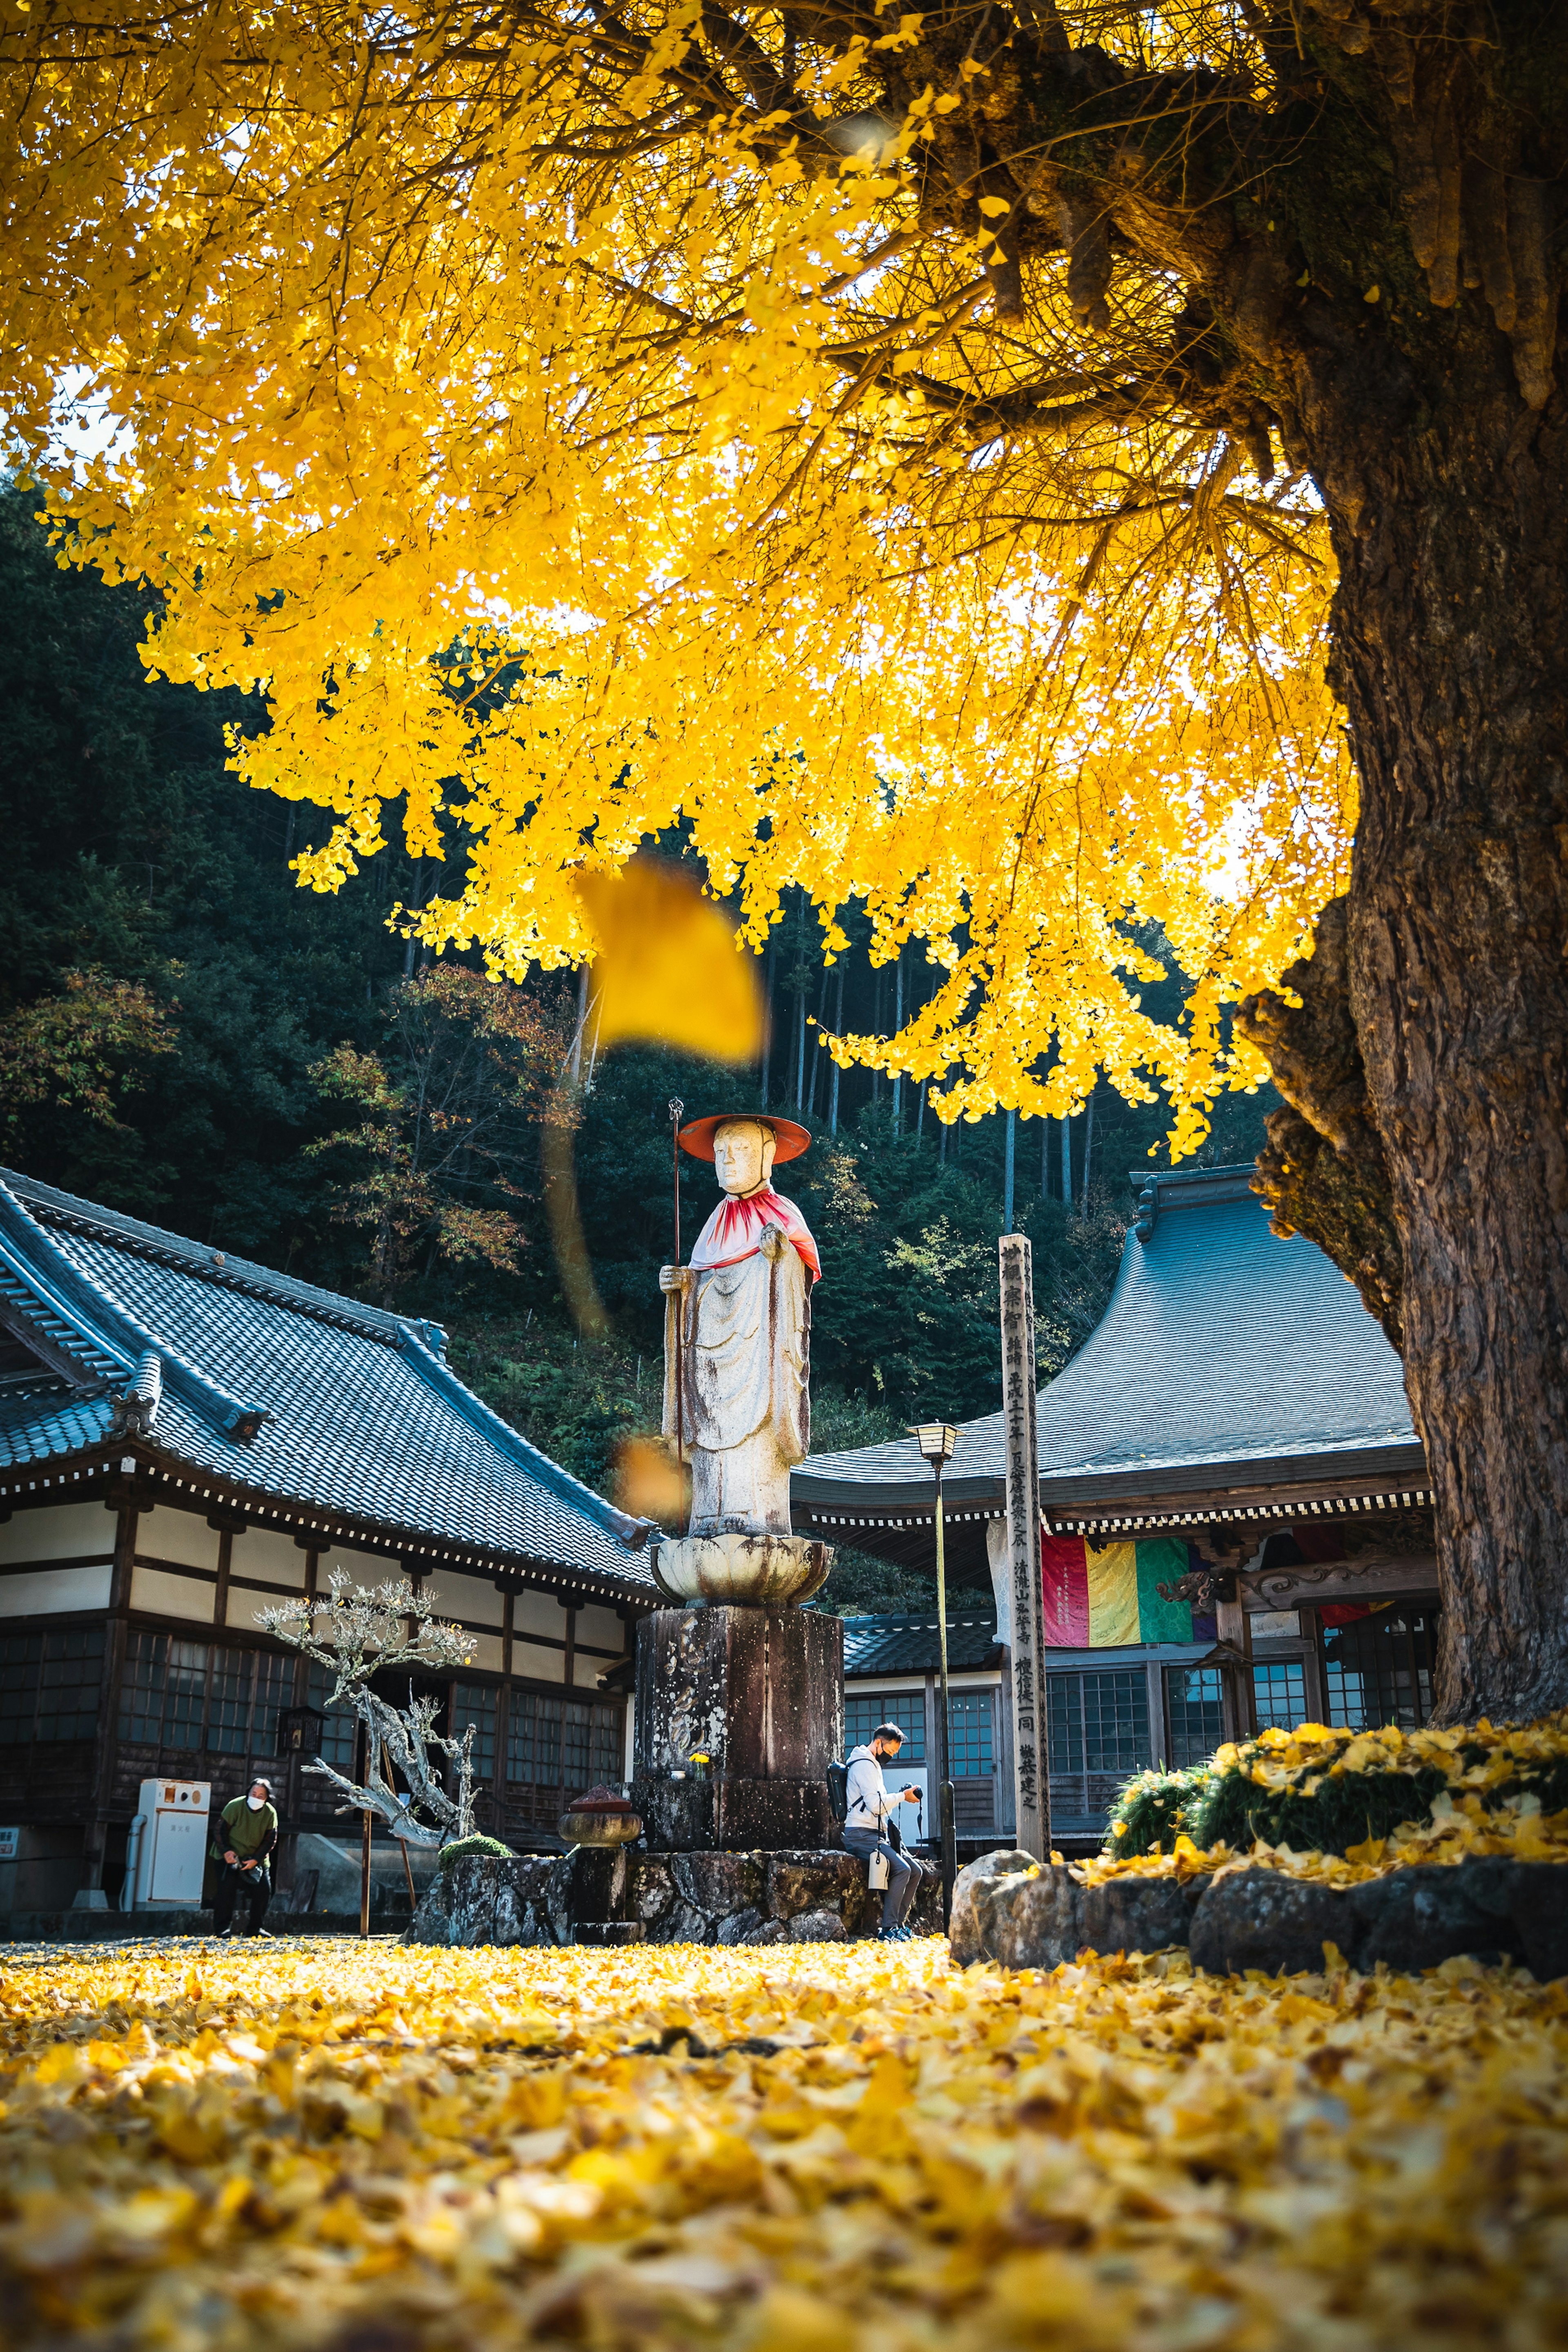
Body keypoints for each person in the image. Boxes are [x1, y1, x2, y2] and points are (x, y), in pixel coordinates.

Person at [661, 1113, 820, 1536]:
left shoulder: (783, 1214)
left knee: (756, 1447)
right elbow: (702, 1278)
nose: (730, 1160)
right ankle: (708, 1519)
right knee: (712, 1446)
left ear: (768, 1156)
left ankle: (759, 1517)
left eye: (743, 1150)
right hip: (711, 1368)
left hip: (758, 1366)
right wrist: (682, 1287)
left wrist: (781, 1255)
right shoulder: (713, 1224)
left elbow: (799, 1280)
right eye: (721, 1153)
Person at [843, 1724, 924, 1941]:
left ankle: (898, 1926)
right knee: (902, 1869)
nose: (891, 1757)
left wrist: (900, 1796)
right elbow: (877, 1806)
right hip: (860, 1833)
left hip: (875, 1834)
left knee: (916, 1870)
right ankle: (888, 1929)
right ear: (879, 1743)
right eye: (890, 1752)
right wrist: (902, 1797)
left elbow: (880, 1805)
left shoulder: (873, 1765)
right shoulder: (864, 1765)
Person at [211, 1778, 278, 1938]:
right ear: (248, 1792)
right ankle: (222, 1929)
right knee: (226, 1891)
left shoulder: (270, 1813)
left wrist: (256, 1859)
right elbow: (220, 1830)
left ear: (267, 1798)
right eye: (254, 1794)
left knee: (264, 1891)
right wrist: (226, 1852)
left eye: (261, 1796)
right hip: (230, 1856)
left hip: (256, 1859)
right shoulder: (235, 1806)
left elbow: (271, 1839)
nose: (256, 1798)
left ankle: (256, 1929)